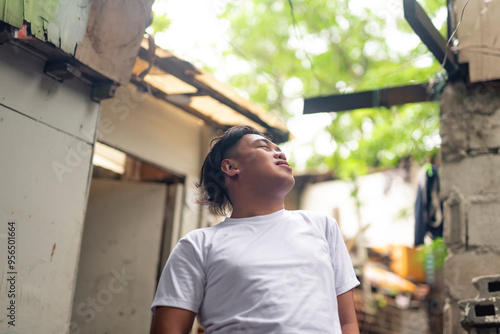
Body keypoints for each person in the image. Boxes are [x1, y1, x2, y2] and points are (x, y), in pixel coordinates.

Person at [150, 125, 360, 334]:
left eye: (278, 148)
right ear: (230, 167)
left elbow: (347, 324)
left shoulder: (322, 226)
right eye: (263, 147)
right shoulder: (197, 246)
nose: (279, 152)